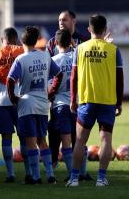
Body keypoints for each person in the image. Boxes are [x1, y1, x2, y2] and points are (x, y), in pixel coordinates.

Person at [66, 15, 123, 187]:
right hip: (107, 100)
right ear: (105, 29)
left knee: (80, 140)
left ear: (89, 29)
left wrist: (72, 99)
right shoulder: (113, 50)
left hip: (86, 99)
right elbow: (120, 78)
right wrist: (119, 102)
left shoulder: (81, 49)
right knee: (106, 140)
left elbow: (73, 77)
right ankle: (101, 178)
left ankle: (74, 179)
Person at [7, 26, 63, 185]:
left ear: (22, 41)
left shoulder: (21, 59)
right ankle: (51, 175)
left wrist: (13, 98)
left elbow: (10, 79)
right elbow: (58, 74)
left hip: (27, 103)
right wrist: (51, 92)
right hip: (42, 104)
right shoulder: (45, 55)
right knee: (42, 140)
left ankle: (36, 177)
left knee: (31, 141)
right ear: (36, 39)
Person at [46, 10, 91, 178]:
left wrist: (49, 93)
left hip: (64, 101)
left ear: (73, 21)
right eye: (59, 20)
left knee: (72, 137)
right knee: (60, 133)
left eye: (64, 19)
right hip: (70, 102)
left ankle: (73, 173)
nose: (61, 22)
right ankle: (56, 162)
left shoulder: (85, 41)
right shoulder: (53, 43)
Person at [0, 27, 28, 183]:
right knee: (24, 137)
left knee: (6, 138)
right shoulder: (22, 52)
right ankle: (29, 171)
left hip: (2, 101)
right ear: (16, 39)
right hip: (20, 100)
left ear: (2, 40)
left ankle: (10, 173)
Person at [49, 29, 76, 179]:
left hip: (61, 105)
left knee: (65, 141)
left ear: (56, 43)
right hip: (78, 104)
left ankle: (72, 174)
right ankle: (81, 172)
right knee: (79, 140)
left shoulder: (54, 60)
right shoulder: (77, 57)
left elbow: (50, 85)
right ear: (70, 41)